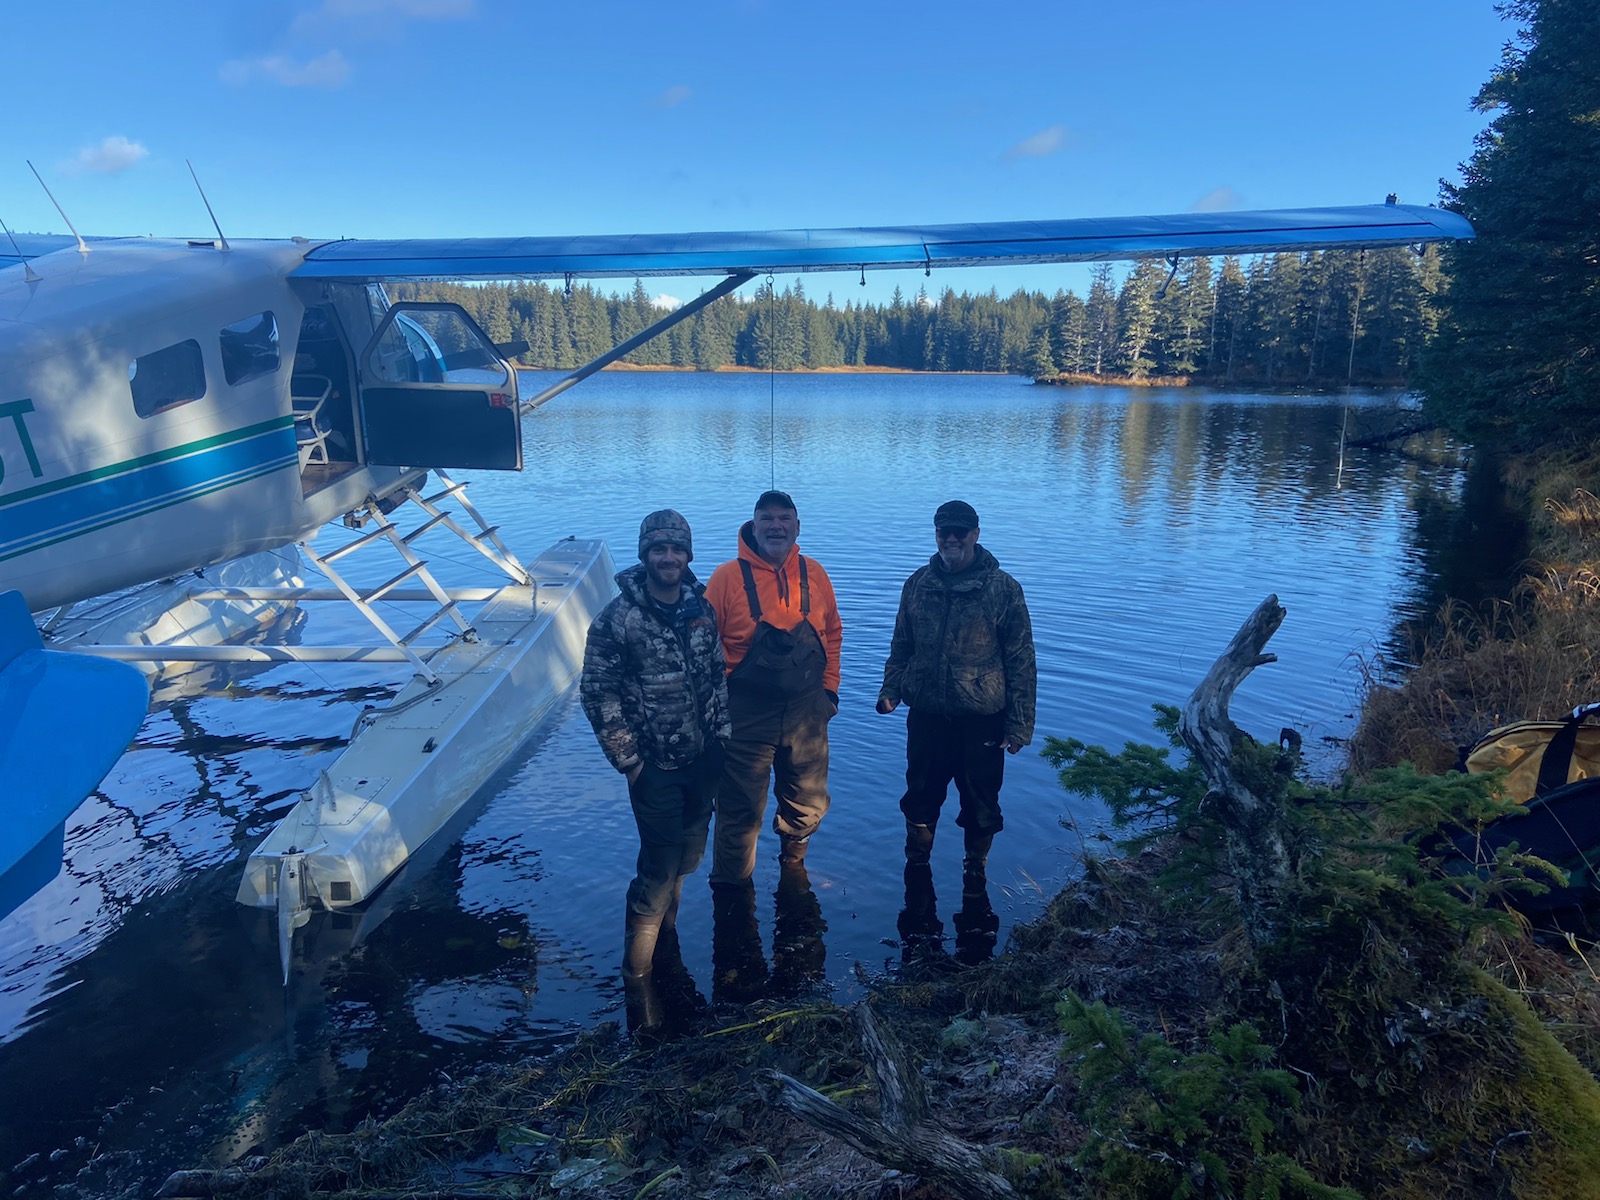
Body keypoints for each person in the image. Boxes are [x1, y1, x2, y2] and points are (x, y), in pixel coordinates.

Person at [580, 509, 729, 1032]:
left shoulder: (700, 609)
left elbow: (715, 676)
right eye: (659, 550)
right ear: (645, 556)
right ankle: (637, 978)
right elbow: (598, 695)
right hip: (654, 769)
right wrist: (630, 762)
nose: (669, 558)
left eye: (677, 550)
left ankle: (666, 943)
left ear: (687, 555)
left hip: (703, 760)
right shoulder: (618, 618)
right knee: (660, 867)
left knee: (685, 860)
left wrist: (722, 737)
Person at [876, 499, 1036, 884]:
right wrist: (891, 690)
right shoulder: (917, 584)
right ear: (936, 535)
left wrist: (1019, 727)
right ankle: (917, 865)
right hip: (927, 715)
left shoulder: (1003, 589)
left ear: (975, 535)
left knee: (982, 806)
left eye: (959, 532)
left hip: (983, 721)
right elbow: (901, 645)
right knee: (919, 798)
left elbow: (1022, 661)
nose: (950, 539)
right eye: (943, 531)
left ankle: (975, 869)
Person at [705, 490, 843, 883]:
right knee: (739, 813)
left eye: (785, 518)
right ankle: (732, 895)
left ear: (797, 526)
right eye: (767, 518)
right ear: (753, 524)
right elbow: (703, 650)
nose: (776, 526)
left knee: (808, 805)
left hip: (807, 713)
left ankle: (794, 869)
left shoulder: (814, 573)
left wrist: (830, 691)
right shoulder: (725, 578)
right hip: (744, 717)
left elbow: (832, 633)